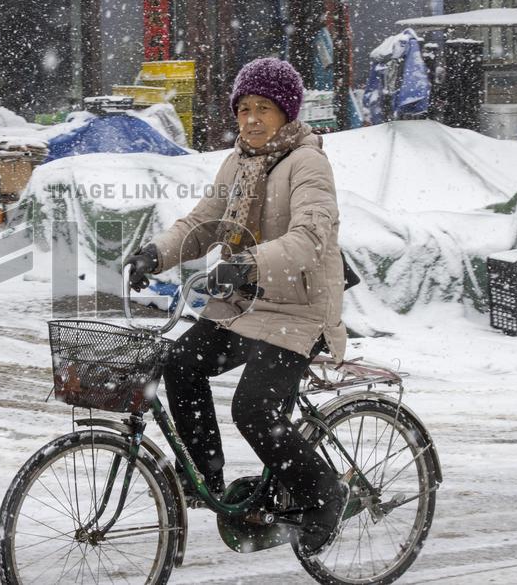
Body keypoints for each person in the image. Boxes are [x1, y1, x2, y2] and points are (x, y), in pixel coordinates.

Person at [123, 58, 349, 557]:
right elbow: (203, 225)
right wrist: (155, 254)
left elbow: (311, 237)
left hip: (298, 311)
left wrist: (248, 263)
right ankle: (206, 475)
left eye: (262, 108)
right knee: (178, 363)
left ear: (286, 113)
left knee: (254, 408)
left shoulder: (307, 163)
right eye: (243, 108)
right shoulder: (240, 161)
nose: (250, 119)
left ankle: (324, 495)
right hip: (243, 306)